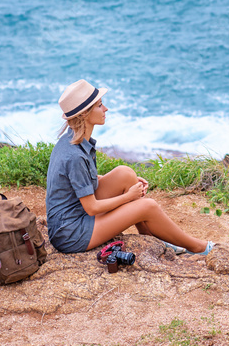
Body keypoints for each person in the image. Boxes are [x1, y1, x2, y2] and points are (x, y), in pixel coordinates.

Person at [45, 79, 213, 255]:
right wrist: (129, 197)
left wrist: (123, 186)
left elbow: (78, 182)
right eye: (100, 105)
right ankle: (197, 247)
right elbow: (92, 208)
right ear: (84, 114)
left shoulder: (72, 141)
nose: (106, 109)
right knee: (148, 206)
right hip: (71, 234)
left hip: (75, 215)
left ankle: (153, 240)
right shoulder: (74, 155)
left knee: (125, 174)